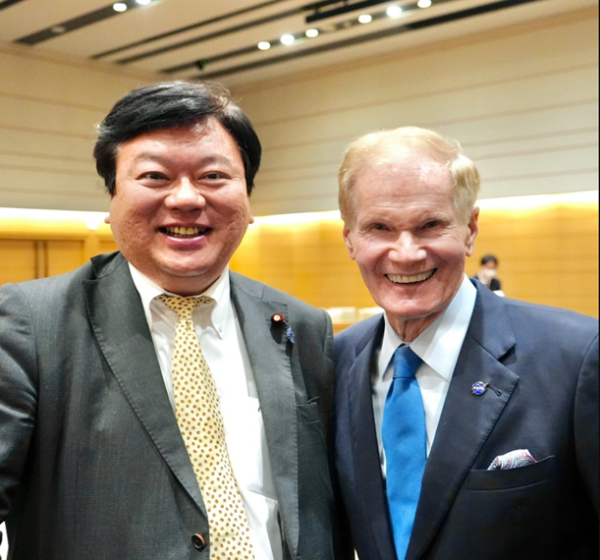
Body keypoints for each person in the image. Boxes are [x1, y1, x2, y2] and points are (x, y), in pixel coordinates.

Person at [0, 81, 351, 560]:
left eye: (213, 176)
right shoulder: (30, 323)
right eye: (155, 177)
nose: (186, 199)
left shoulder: (303, 326)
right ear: (111, 199)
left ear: (248, 200)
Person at [334, 126, 598, 560]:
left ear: (471, 229)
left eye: (430, 225)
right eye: (379, 227)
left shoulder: (578, 358)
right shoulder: (335, 361)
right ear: (350, 239)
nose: (406, 253)